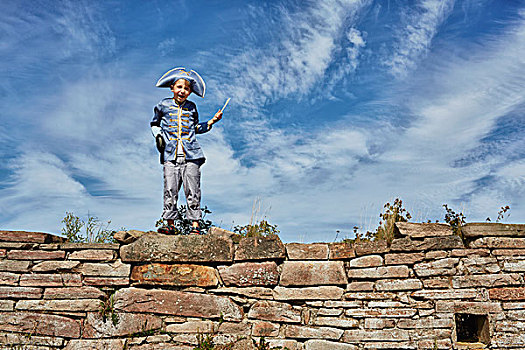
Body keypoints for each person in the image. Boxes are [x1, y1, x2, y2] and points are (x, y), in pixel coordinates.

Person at [151, 67, 222, 235]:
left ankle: (195, 226)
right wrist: (159, 136)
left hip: (192, 155)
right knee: (170, 188)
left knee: (193, 189)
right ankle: (170, 224)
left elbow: (195, 128)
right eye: (179, 87)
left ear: (190, 92)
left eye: (186, 88)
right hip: (170, 154)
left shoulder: (192, 107)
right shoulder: (163, 105)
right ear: (172, 88)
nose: (182, 91)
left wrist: (212, 121)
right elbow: (154, 123)